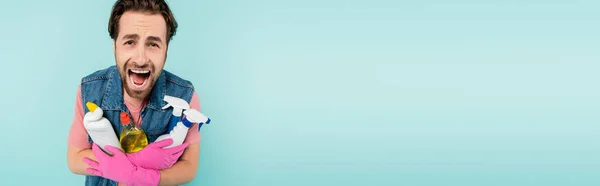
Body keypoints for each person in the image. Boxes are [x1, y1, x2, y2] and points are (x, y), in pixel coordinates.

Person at [66, 0, 202, 185]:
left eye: (153, 44)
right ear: (115, 46)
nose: (140, 59)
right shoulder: (89, 90)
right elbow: (74, 159)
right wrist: (134, 163)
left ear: (166, 50)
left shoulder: (186, 97)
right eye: (130, 42)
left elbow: (189, 167)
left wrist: (141, 176)